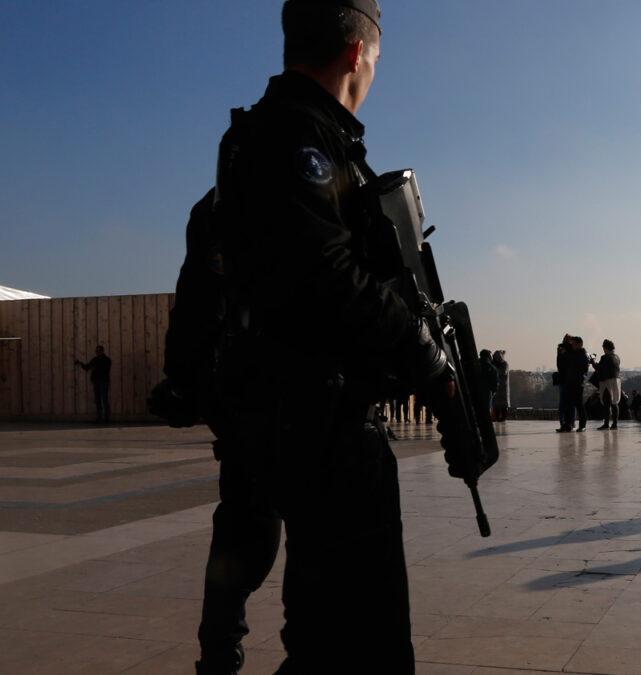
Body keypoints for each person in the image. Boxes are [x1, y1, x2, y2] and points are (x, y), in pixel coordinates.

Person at [165, 2, 451, 671]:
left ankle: (219, 641)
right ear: (357, 53)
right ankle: (219, 641)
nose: (376, 69)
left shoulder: (265, 148)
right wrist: (426, 354)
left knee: (326, 623)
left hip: (274, 414)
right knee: (355, 637)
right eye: (378, 57)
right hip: (319, 419)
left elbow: (198, 293)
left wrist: (186, 376)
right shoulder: (301, 141)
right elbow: (331, 279)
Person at [558, 336, 589, 432]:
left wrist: (565, 353)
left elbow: (574, 361)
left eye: (574, 344)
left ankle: (582, 425)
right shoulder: (575, 353)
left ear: (580, 344)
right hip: (570, 381)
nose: (572, 346)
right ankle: (568, 424)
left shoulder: (582, 354)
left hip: (577, 383)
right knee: (568, 404)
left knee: (579, 404)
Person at [74, 345, 112, 424]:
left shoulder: (107, 360)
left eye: (98, 351)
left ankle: (106, 418)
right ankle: (100, 418)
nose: (97, 352)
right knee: (98, 400)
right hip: (97, 382)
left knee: (104, 400)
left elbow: (105, 370)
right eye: (96, 351)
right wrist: (80, 363)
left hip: (103, 382)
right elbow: (87, 367)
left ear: (102, 351)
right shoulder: (95, 360)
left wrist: (95, 368)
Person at [591, 339, 622, 430]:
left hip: (607, 382)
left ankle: (606, 423)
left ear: (605, 348)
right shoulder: (617, 357)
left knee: (607, 403)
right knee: (615, 403)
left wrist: (592, 361)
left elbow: (598, 368)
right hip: (616, 380)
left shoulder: (605, 357)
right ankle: (615, 424)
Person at [555, 333, 573, 429]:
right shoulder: (570, 351)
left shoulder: (560, 350)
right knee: (571, 402)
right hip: (570, 378)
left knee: (562, 402)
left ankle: (562, 423)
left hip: (562, 377)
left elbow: (559, 364)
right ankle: (571, 422)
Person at [479, 349, 500, 418]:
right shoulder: (492, 368)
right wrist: (493, 391)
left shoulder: (475, 365)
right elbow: (496, 382)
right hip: (487, 391)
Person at [491, 350, 510, 422]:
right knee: (496, 404)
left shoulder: (505, 364)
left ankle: (503, 417)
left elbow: (503, 372)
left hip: (503, 386)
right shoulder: (497, 364)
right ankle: (496, 416)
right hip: (498, 385)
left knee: (503, 405)